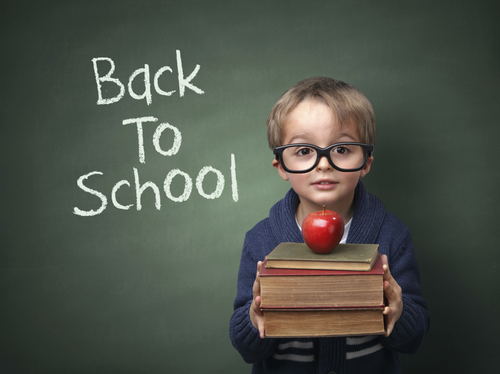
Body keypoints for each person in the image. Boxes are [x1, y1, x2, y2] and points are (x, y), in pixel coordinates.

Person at [229, 77, 430, 374]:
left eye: (342, 149)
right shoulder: (261, 240)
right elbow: (246, 348)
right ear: (281, 166)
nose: (324, 164)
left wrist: (398, 313)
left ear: (366, 162)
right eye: (303, 151)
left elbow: (413, 340)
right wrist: (255, 318)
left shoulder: (392, 235)